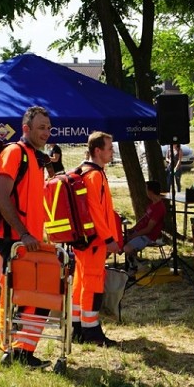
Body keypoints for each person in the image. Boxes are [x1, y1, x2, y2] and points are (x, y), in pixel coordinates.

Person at [0, 106, 53, 368]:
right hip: (16, 239)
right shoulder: (15, 152)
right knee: (34, 295)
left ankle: (18, 350)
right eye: (41, 127)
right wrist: (24, 233)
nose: (46, 132)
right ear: (26, 129)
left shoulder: (34, 156)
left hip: (28, 239)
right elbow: (1, 197)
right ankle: (18, 351)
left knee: (30, 295)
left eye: (49, 128)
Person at [72, 132, 121, 347]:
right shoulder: (94, 175)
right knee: (92, 285)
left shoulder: (84, 171)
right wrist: (109, 238)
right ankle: (91, 332)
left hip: (83, 240)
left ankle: (76, 329)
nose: (112, 152)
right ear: (98, 151)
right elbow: (96, 212)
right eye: (109, 149)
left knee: (80, 283)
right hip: (94, 241)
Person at [123, 180, 167, 272]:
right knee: (118, 243)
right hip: (139, 233)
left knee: (127, 248)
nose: (145, 192)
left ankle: (140, 264)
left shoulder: (159, 208)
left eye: (146, 189)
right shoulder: (151, 205)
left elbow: (148, 229)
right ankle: (135, 263)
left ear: (150, 191)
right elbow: (143, 220)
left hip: (148, 236)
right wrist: (133, 229)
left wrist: (133, 236)